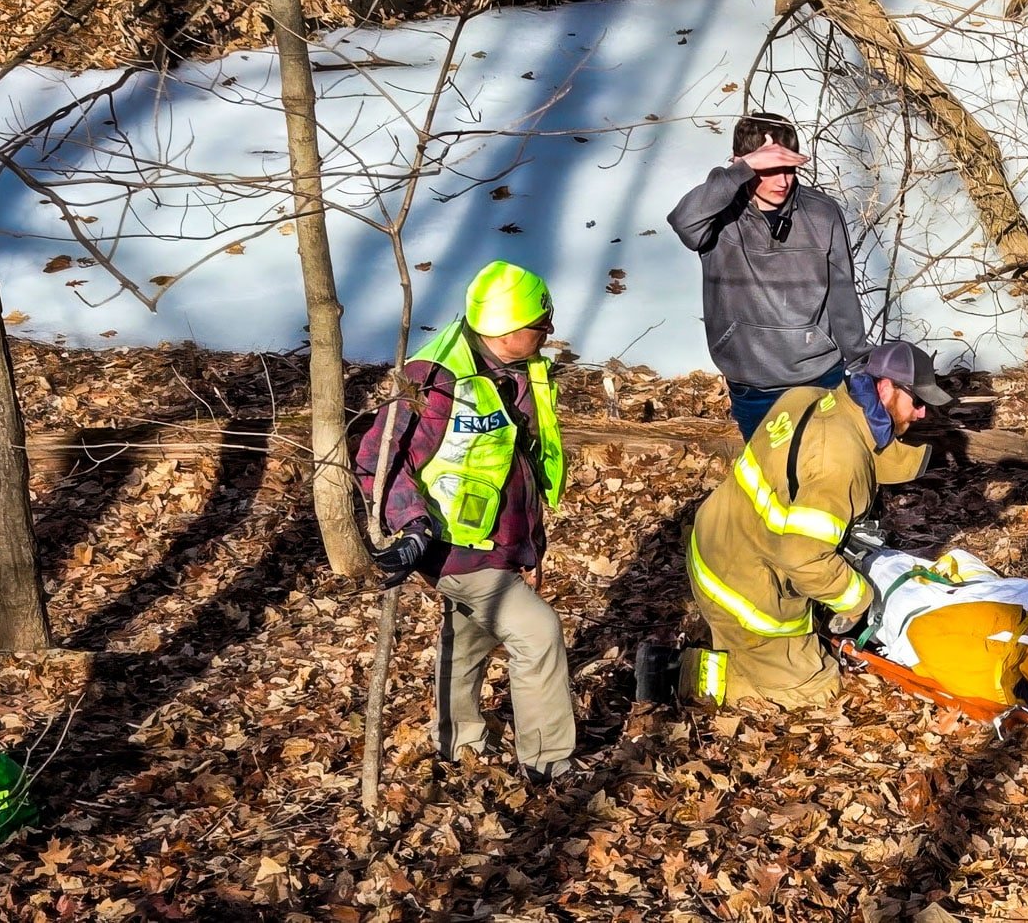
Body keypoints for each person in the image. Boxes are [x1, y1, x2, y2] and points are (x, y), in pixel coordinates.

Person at [635, 340, 951, 708]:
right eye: (917, 402)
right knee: (814, 691)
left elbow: (849, 455)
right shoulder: (840, 460)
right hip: (742, 587)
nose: (923, 413)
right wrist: (858, 599)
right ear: (885, 388)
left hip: (718, 536)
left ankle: (747, 651)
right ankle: (677, 673)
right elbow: (804, 557)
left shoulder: (813, 398)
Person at [356, 260, 576, 780]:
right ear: (507, 328)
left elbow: (513, 460)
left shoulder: (515, 371)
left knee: (471, 633)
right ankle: (548, 763)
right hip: (454, 543)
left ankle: (458, 740)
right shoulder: (435, 379)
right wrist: (410, 527)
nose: (549, 331)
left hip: (496, 538)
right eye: (541, 323)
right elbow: (379, 459)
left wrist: (529, 542)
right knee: (539, 632)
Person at [667, 112, 871, 439]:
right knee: (769, 483)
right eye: (769, 169)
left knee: (822, 477)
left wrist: (861, 367)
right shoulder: (718, 216)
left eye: (789, 168)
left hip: (819, 376)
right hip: (754, 385)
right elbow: (683, 221)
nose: (783, 181)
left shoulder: (821, 213)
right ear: (743, 164)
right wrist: (740, 170)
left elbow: (842, 293)